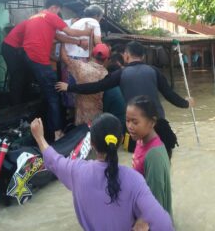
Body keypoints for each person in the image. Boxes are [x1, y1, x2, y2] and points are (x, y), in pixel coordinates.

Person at [30, 113, 174, 231]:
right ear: (121, 140)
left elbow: (53, 160)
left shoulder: (76, 171)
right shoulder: (134, 180)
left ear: (91, 143)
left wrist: (39, 137)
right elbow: (164, 224)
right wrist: (143, 219)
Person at [56, 41, 194, 156]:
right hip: (158, 125)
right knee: (163, 154)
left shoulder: (120, 74)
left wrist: (70, 88)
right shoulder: (154, 71)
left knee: (133, 154)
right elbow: (170, 95)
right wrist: (186, 103)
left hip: (136, 130)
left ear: (126, 56)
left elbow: (96, 87)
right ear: (144, 56)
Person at [21, 0, 92, 142]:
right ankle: (57, 133)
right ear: (54, 7)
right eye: (59, 9)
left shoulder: (35, 17)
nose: (59, 12)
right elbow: (70, 32)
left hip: (26, 56)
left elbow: (60, 37)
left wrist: (78, 43)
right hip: (39, 59)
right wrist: (87, 31)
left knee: (46, 93)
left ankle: (44, 126)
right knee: (54, 95)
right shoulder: (51, 16)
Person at [126, 95, 172, 216]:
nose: (130, 126)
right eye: (127, 120)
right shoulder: (140, 140)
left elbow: (156, 203)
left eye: (135, 122)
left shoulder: (154, 156)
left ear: (151, 122)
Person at [60, 43, 109, 125]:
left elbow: (65, 58)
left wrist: (63, 41)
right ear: (106, 59)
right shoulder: (106, 75)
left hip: (81, 117)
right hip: (97, 118)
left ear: (92, 55)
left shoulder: (81, 67)